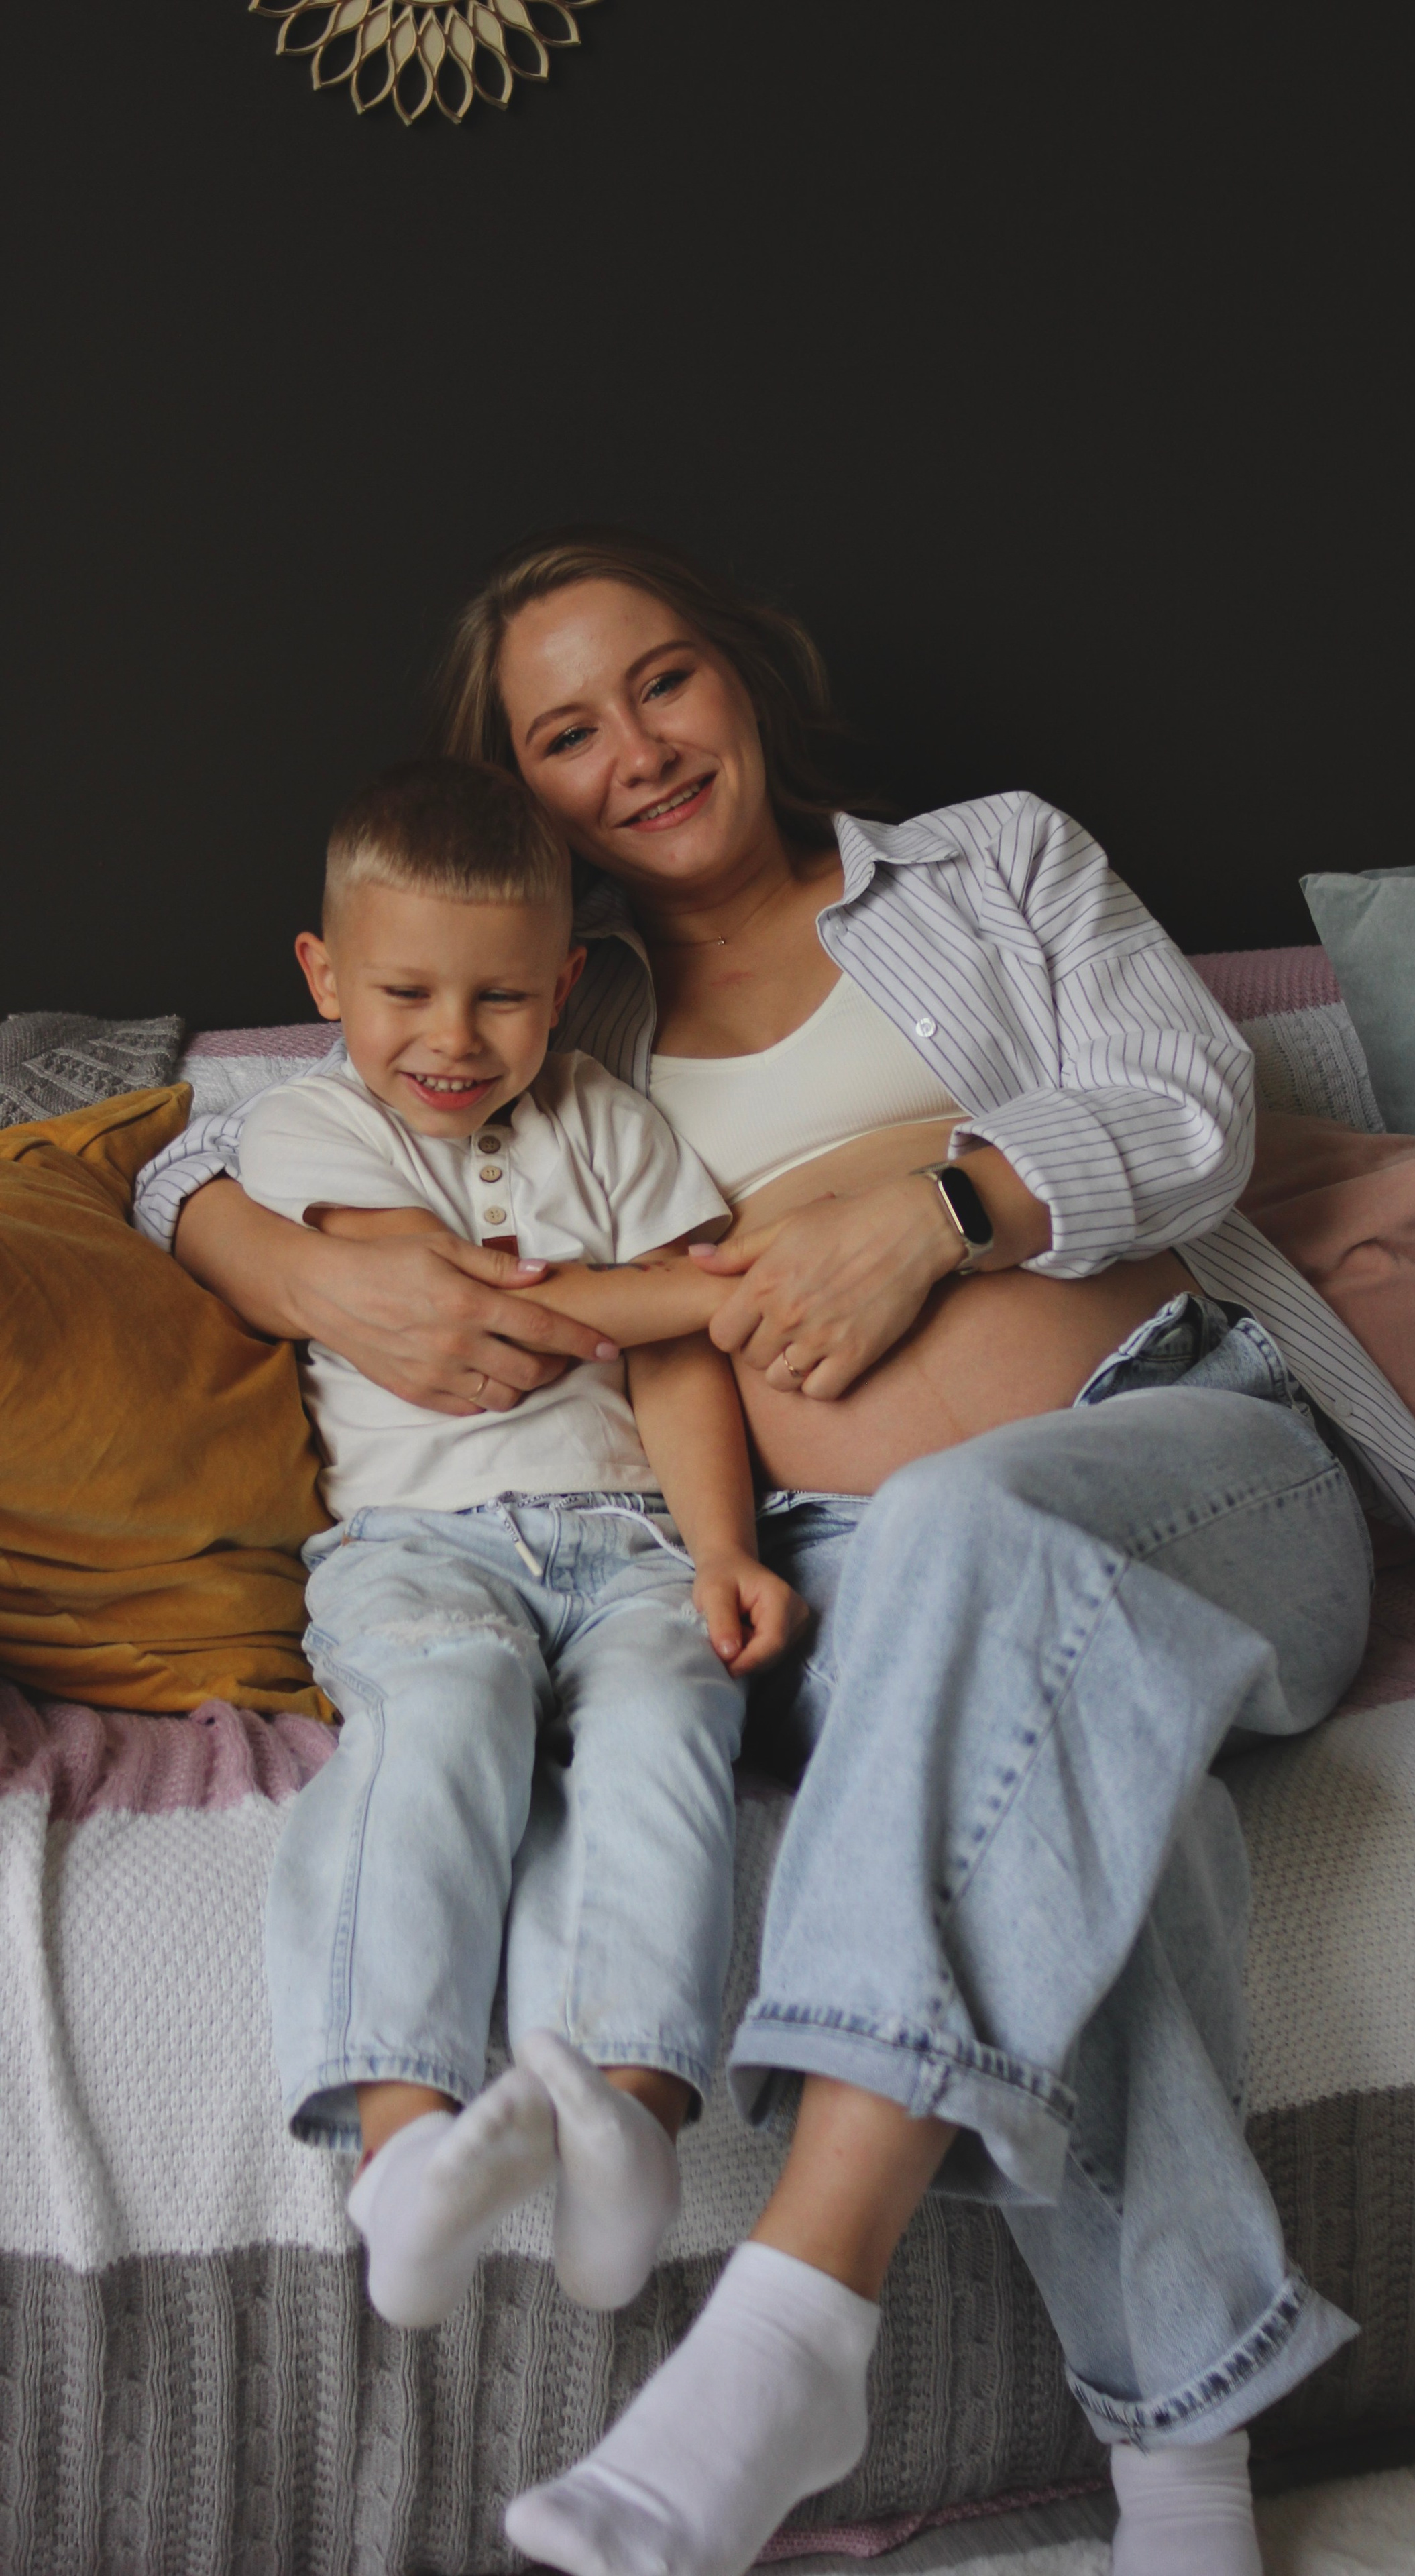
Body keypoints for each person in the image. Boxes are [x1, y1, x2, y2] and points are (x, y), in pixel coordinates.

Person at [138, 529, 1415, 2576]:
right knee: (1109, 1807)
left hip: (1188, 1455)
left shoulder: (992, 865)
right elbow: (201, 1155)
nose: (637, 752)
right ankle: (1188, 2480)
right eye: (563, 733)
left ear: (744, 676)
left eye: (663, 682)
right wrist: (294, 1272)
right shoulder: (539, 1018)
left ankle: (799, 2309)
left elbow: (1191, 1098)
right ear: (525, 796)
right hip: (847, 1573)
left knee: (984, 1529)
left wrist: (941, 1211)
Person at [239, 753, 805, 2334]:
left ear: (563, 985)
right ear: (324, 976)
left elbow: (687, 1370)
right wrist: (690, 1283)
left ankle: (626, 2109)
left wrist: (716, 1552)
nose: (449, 1038)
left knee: (672, 1713)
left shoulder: (611, 1127)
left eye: (499, 999)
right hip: (421, 1546)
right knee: (451, 1711)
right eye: (404, 991)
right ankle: (404, 2149)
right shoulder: (304, 1128)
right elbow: (488, 1306)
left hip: (626, 1537)